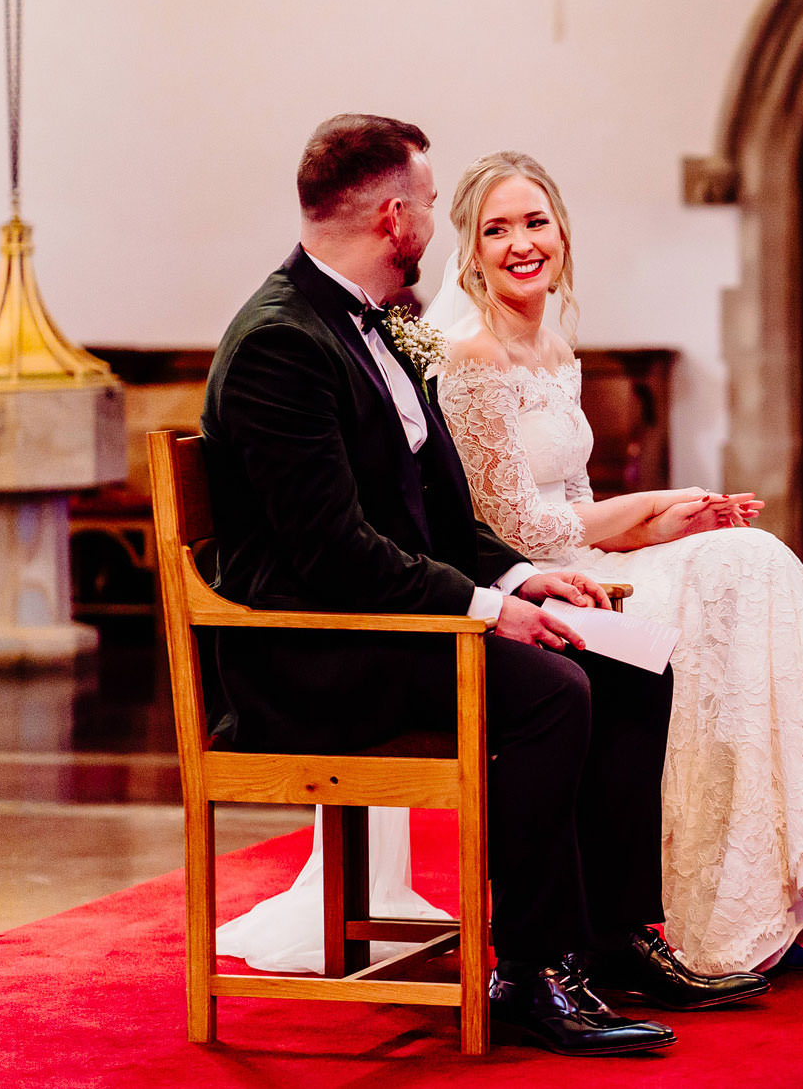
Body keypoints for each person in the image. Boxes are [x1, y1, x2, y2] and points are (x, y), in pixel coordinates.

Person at [202, 114, 764, 1058]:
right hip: (319, 651)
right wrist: (486, 609)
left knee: (629, 661)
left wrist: (521, 573)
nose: (436, 221)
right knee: (550, 693)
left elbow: (438, 509)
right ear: (393, 217)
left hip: (385, 620)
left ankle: (613, 935)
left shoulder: (386, 326)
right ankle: (530, 971)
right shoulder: (281, 345)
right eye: (428, 202)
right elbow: (334, 549)